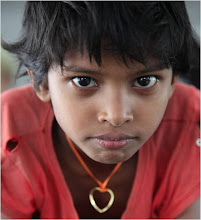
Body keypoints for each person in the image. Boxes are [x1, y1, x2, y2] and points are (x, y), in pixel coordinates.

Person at [1, 1, 200, 219]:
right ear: (41, 83)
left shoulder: (191, 127)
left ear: (173, 81)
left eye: (144, 81)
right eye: (84, 81)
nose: (116, 116)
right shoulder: (8, 135)